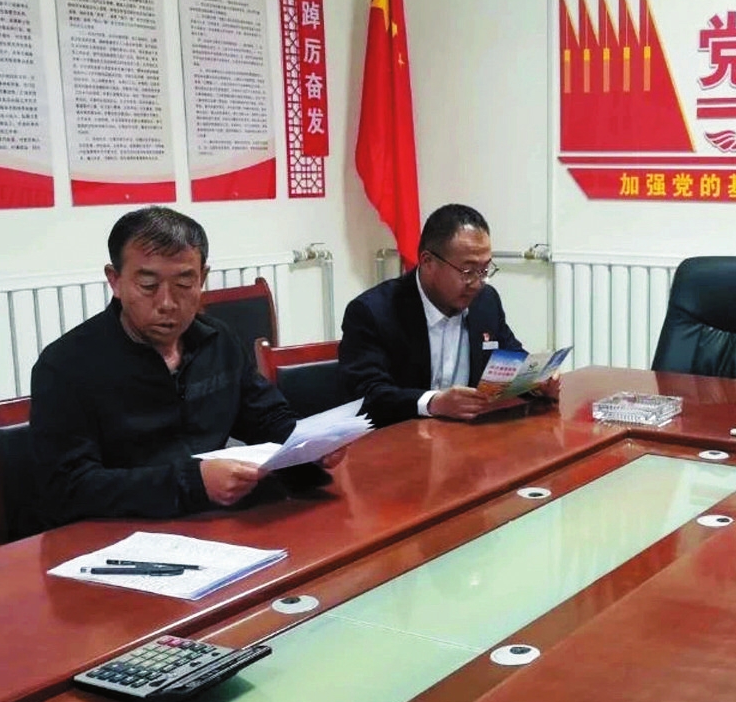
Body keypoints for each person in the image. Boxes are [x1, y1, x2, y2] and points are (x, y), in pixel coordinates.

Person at [31, 207, 345, 530]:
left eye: (184, 283)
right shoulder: (66, 366)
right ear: (115, 280)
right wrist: (193, 482)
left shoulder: (218, 341)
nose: (167, 303)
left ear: (202, 278)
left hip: (214, 525)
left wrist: (308, 444)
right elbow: (67, 487)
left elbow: (264, 416)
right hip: (114, 535)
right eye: (148, 285)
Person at [337, 204, 557, 427]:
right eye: (468, 271)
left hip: (466, 435)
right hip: (398, 438)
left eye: (484, 270)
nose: (478, 283)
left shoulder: (485, 301)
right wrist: (433, 403)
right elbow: (366, 394)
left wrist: (537, 382)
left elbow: (511, 359)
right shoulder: (373, 312)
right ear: (428, 262)